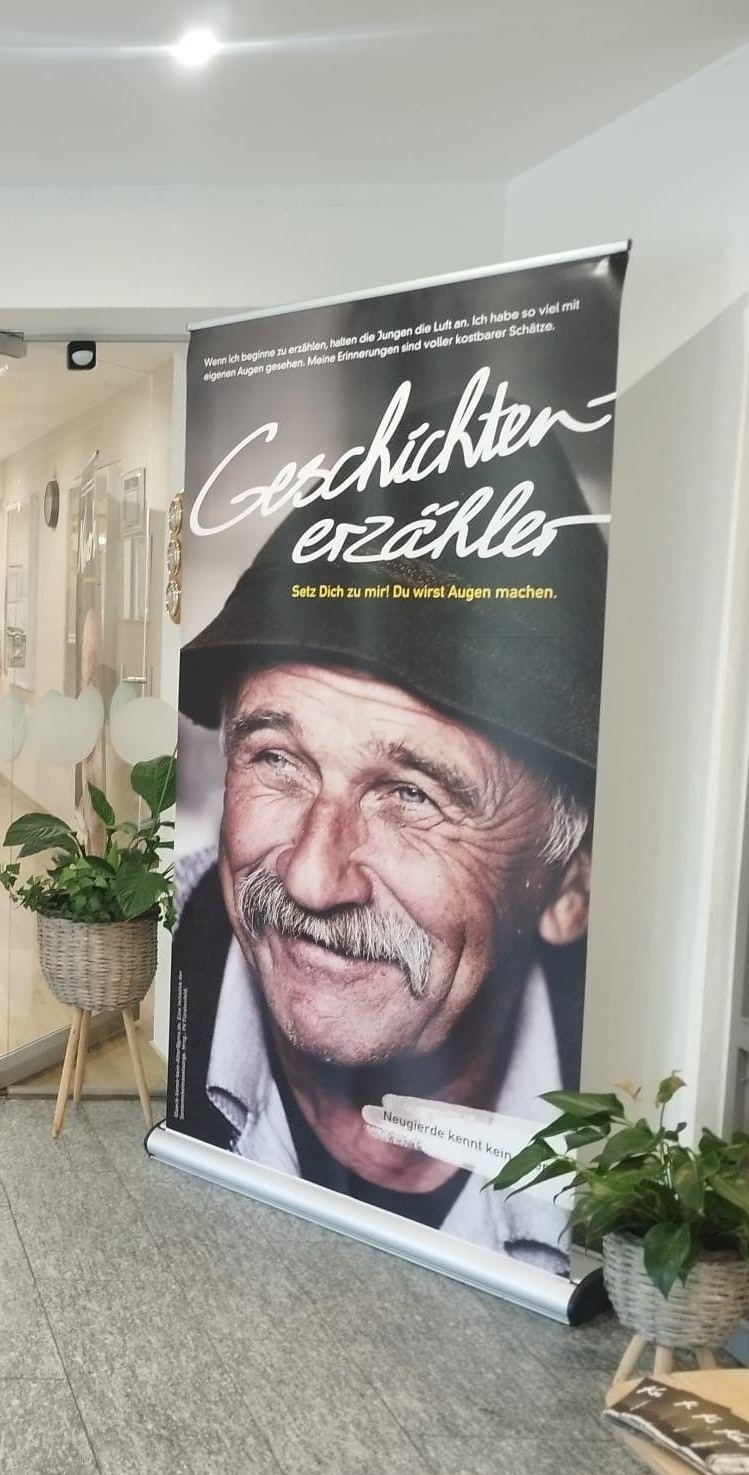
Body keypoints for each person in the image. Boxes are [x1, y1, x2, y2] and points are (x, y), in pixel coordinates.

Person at [173, 444, 603, 1273]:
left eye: (411, 796)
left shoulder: (630, 1136)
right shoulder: (169, 989)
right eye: (276, 759)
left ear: (568, 885)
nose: (310, 878)